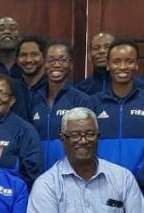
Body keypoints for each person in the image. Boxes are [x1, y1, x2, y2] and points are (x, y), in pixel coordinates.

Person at [92, 39, 144, 191]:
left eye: (129, 61)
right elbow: (88, 147)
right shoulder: (94, 103)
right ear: (108, 64)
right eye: (116, 61)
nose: (123, 67)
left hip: (141, 188)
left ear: (136, 64)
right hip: (101, 187)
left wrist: (140, 180)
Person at [29, 40, 98, 172]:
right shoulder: (34, 98)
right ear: (44, 64)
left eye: (63, 59)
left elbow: (89, 142)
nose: (56, 64)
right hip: (38, 176)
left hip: (71, 174)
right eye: (51, 59)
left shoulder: (81, 100)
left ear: (71, 64)